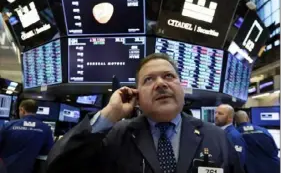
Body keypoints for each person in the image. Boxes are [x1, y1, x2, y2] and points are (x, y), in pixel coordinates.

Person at [47, 53, 244, 173]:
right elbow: (58, 166)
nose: (160, 84)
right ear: (137, 95)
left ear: (182, 88)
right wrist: (109, 114)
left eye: (169, 76)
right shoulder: (117, 135)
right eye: (148, 80)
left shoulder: (217, 137)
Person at [0, 99, 54, 173]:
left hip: (5, 169)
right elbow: (48, 151)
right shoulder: (46, 129)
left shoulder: (8, 125)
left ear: (22, 110)